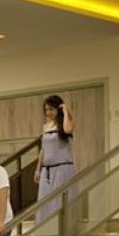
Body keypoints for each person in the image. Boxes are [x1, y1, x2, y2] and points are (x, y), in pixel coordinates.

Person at [33, 94, 76, 224]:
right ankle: (46, 231)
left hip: (62, 168)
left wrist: (65, 111)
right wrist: (38, 169)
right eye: (46, 110)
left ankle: (64, 231)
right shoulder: (46, 126)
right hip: (47, 170)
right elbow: (43, 149)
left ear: (58, 109)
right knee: (45, 201)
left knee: (60, 201)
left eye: (51, 109)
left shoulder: (68, 122)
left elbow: (67, 129)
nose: (48, 112)